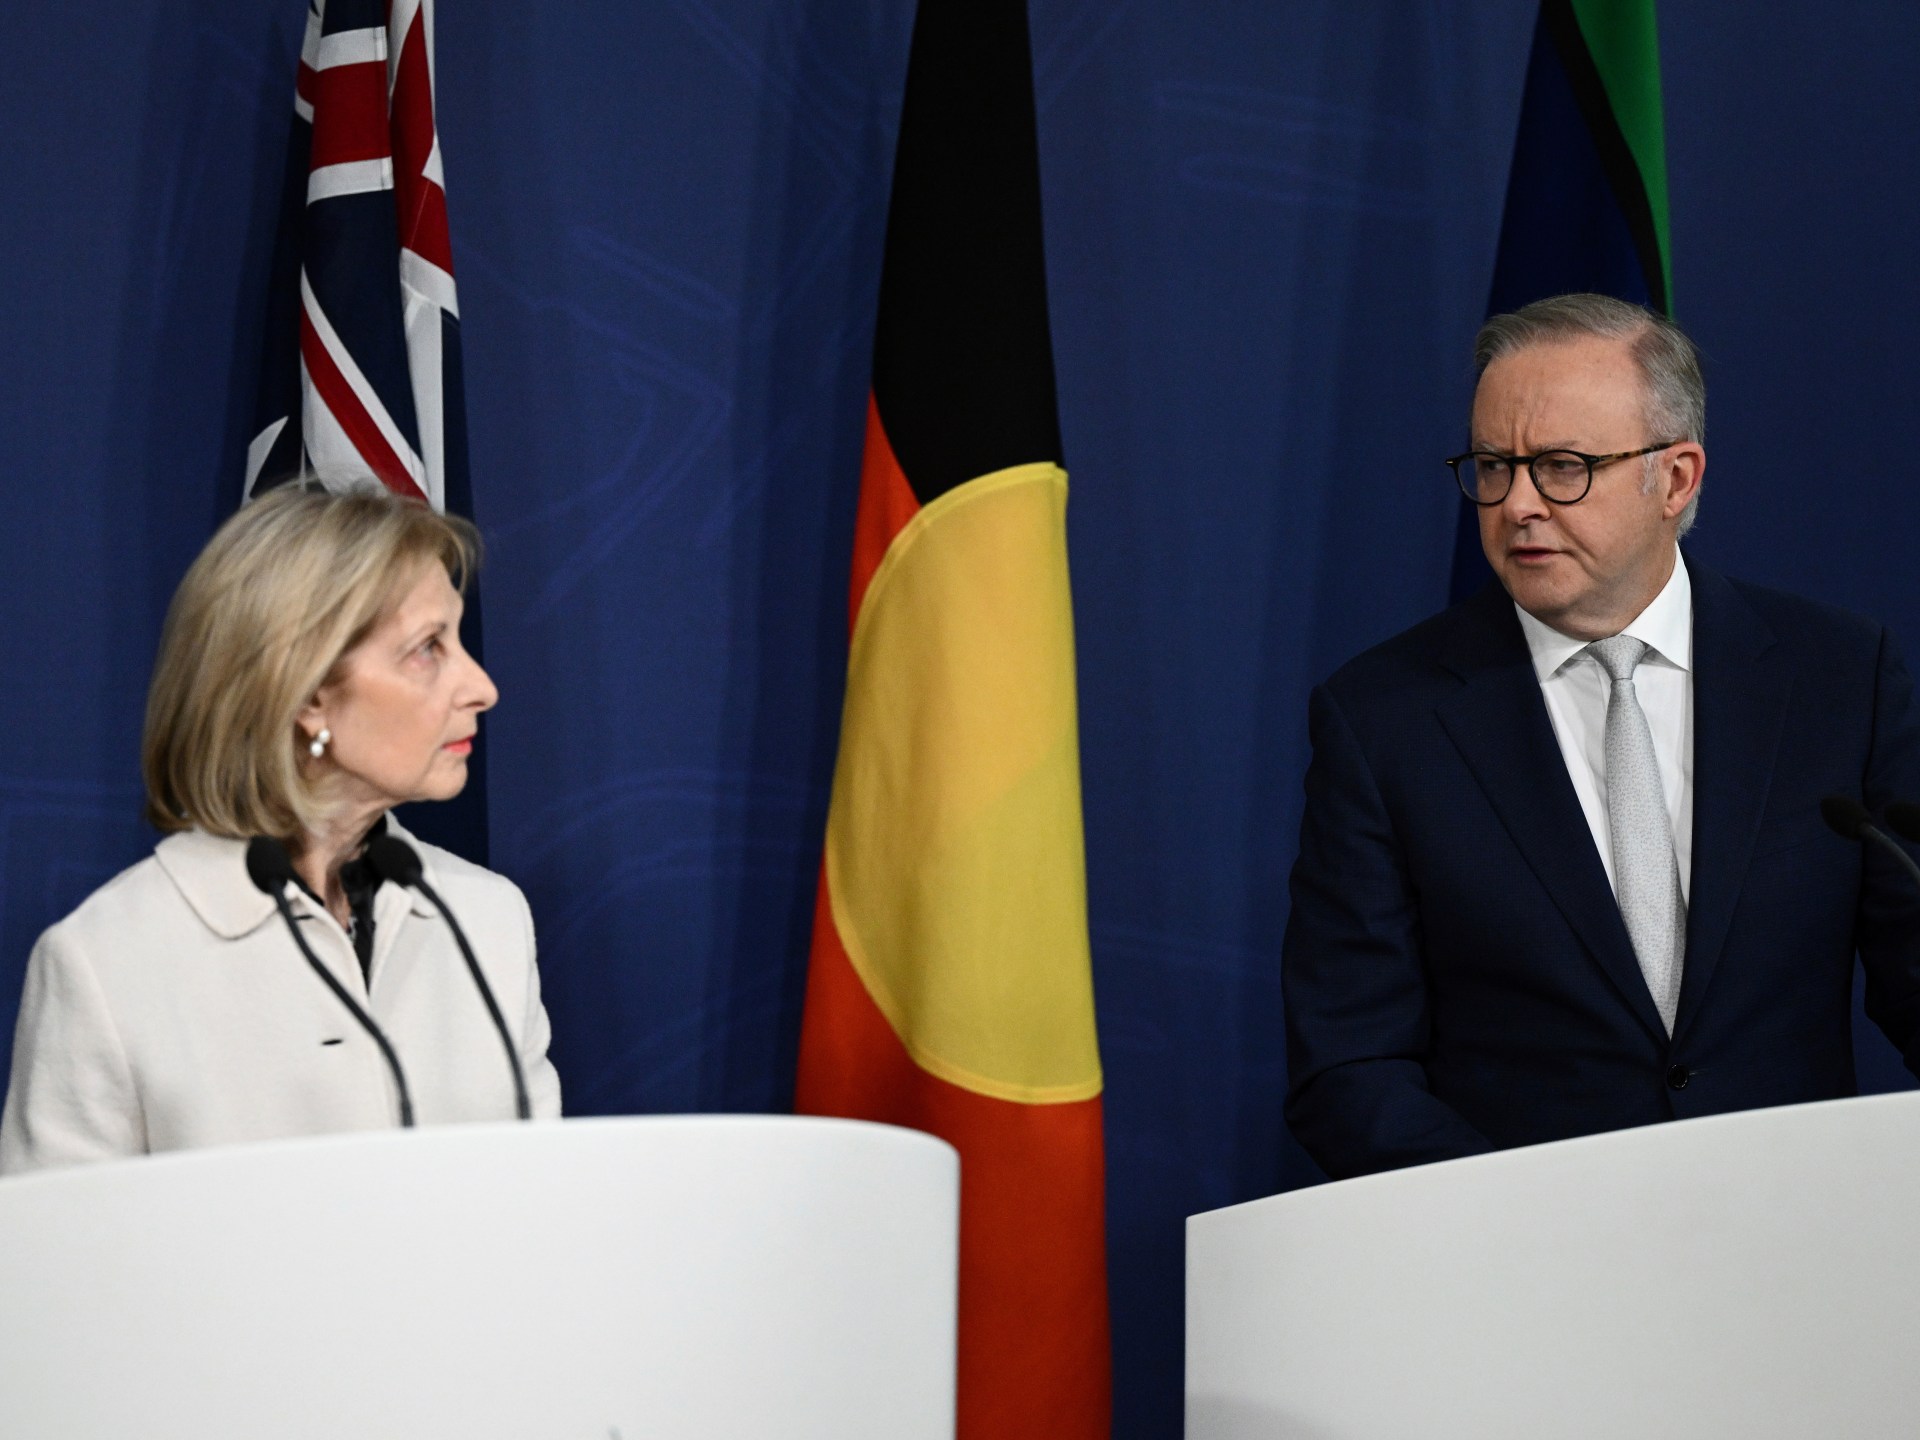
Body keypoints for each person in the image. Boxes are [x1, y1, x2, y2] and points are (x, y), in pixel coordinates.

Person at [1282, 293, 1920, 1181]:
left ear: (1677, 478)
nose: (1518, 505)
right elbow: (1350, 1067)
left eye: (1563, 467)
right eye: (1494, 466)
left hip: (1791, 1227)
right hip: (1520, 1245)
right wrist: (1534, 1223)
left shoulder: (1838, 679)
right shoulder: (1385, 719)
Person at [0, 484, 561, 1172]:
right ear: (307, 693)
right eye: (426, 649)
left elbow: (541, 1202)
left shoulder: (489, 921)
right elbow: (61, 1241)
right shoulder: (105, 964)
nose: (482, 687)